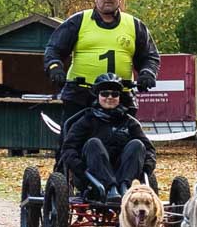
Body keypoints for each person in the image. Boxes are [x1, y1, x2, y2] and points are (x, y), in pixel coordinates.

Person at [44, 0, 161, 119]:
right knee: (72, 139)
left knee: (132, 140)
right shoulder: (78, 21)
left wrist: (147, 73)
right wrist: (55, 68)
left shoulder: (135, 25)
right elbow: (53, 49)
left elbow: (150, 56)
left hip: (120, 97)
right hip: (80, 96)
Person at [60, 73, 156, 203]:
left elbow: (149, 150)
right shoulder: (86, 120)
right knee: (94, 143)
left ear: (119, 97)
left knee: (137, 144)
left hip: (126, 177)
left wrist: (146, 169)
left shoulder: (129, 122)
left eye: (114, 94)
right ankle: (111, 188)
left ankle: (123, 188)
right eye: (105, 94)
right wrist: (81, 169)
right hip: (92, 179)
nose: (109, 97)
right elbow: (68, 149)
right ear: (98, 96)